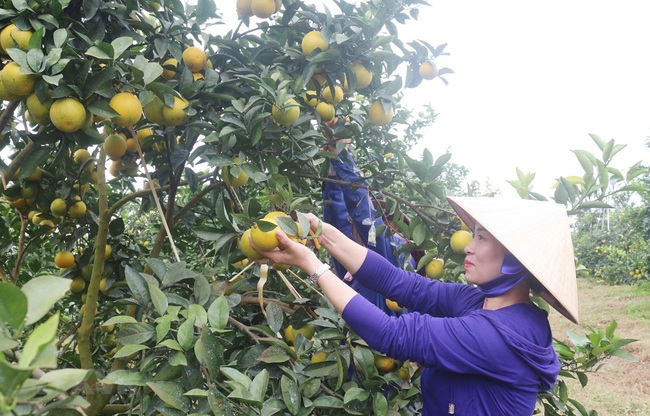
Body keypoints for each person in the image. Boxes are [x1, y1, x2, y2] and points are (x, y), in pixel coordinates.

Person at [253, 196, 579, 415]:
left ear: (513, 260)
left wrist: (312, 264)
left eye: (481, 237)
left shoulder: (500, 335)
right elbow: (402, 284)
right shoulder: (482, 302)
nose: (468, 247)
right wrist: (322, 234)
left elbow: (390, 335)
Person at [322, 135, 419, 315]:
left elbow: (365, 217)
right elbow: (338, 223)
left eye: (390, 227)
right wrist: (334, 169)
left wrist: (343, 155)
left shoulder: (397, 253)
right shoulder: (357, 268)